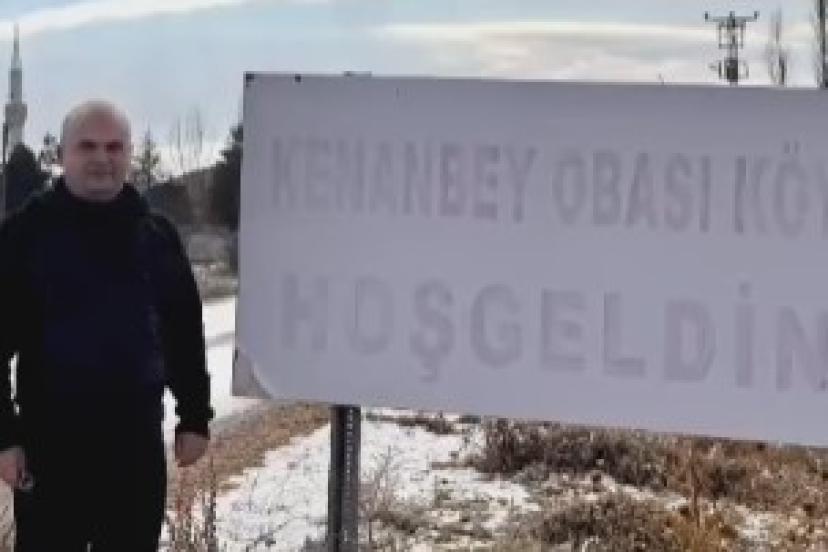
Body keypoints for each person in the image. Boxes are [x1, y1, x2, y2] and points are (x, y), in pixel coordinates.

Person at [0, 100, 214, 551]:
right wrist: (4, 438)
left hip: (135, 452)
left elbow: (182, 331)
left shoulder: (155, 236)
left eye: (114, 146)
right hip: (50, 452)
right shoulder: (25, 235)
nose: (102, 157)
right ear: (62, 155)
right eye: (88, 146)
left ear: (129, 154)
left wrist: (194, 415)